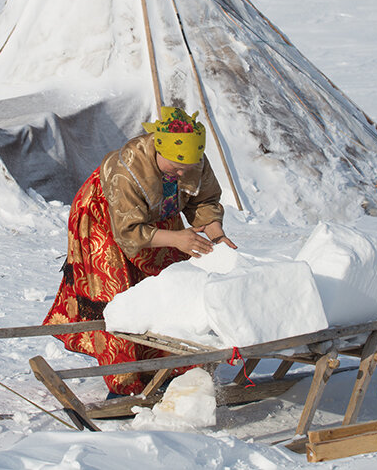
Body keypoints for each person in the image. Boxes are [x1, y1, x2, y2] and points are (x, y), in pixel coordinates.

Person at [43, 106, 237, 395]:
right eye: (175, 168)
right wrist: (176, 239)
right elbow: (129, 231)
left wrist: (218, 235)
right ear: (159, 151)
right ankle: (124, 383)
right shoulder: (127, 170)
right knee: (118, 295)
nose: (182, 173)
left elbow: (204, 200)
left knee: (171, 282)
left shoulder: (191, 160)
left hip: (159, 218)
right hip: (107, 219)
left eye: (187, 168)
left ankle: (171, 370)